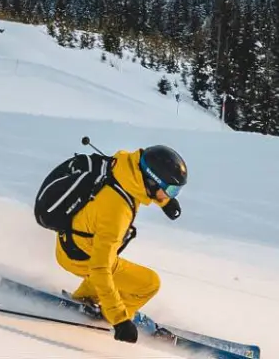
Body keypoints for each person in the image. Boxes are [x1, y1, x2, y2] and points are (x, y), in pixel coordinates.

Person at [54, 144, 187, 345]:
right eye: (170, 190)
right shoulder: (117, 211)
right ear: (153, 181)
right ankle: (106, 316)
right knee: (149, 283)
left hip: (72, 241)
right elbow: (99, 268)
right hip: (81, 257)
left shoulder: (125, 167)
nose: (171, 195)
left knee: (112, 264)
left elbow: (141, 185)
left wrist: (165, 202)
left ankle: (87, 299)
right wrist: (119, 320)